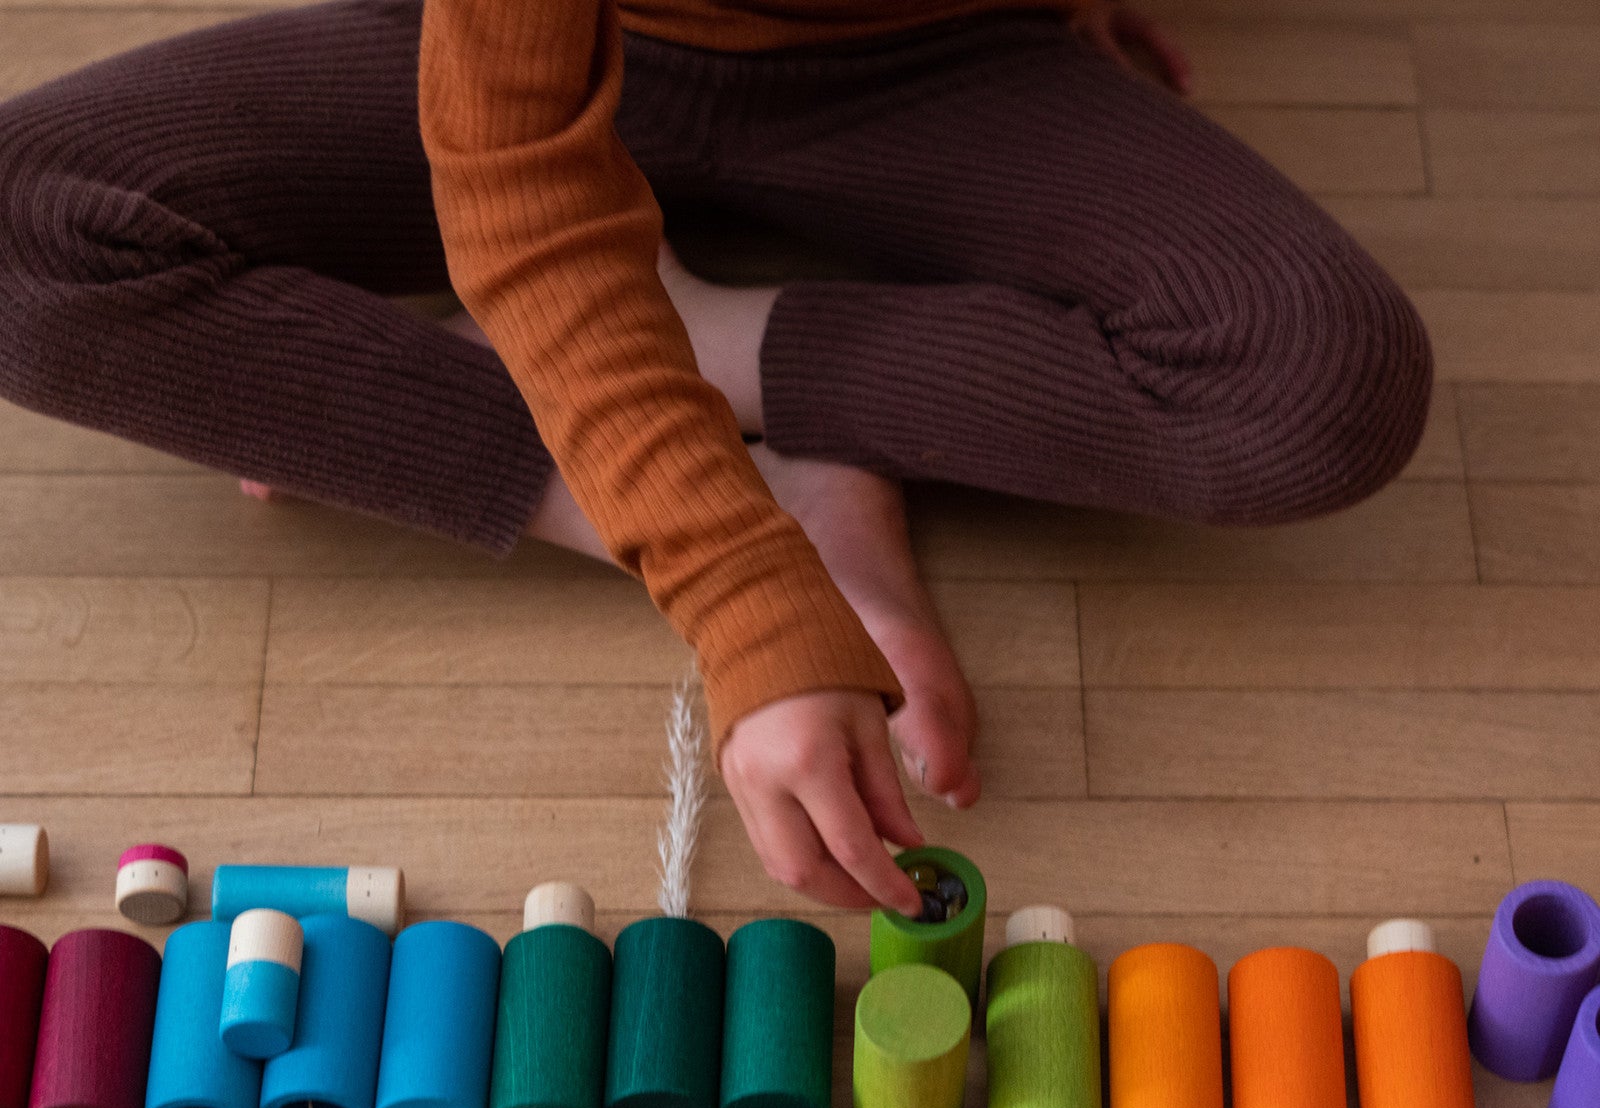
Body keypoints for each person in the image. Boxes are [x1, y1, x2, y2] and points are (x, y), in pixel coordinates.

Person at [0, 0, 1431, 916]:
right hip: (534, 53)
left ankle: (711, 345)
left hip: (941, 58)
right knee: (22, 223)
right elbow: (521, 187)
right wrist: (747, 593)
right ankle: (736, 474)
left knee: (1317, 384)